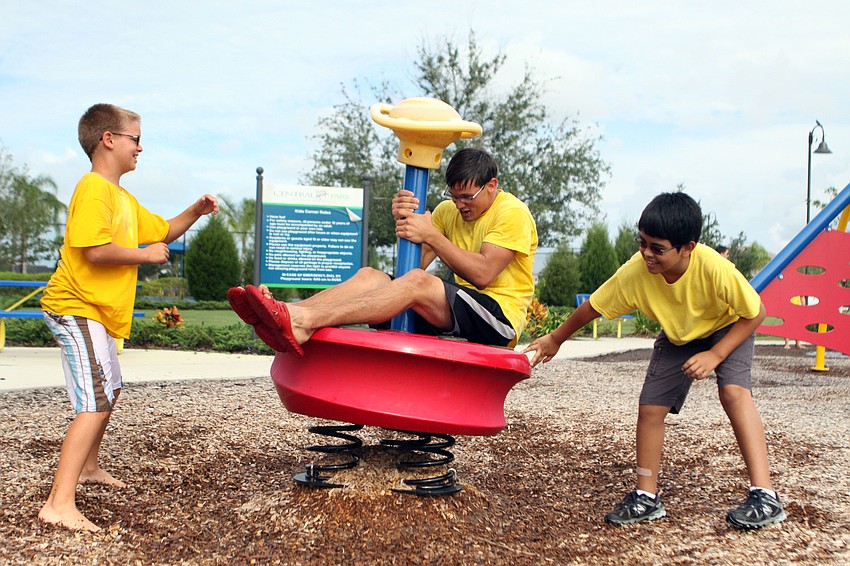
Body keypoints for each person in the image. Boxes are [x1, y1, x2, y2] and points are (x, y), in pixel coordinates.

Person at [524, 192, 786, 530]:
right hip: (679, 335)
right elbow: (594, 306)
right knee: (650, 407)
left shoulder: (714, 268)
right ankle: (646, 498)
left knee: (734, 393)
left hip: (727, 328)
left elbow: (756, 313)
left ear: (687, 247)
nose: (647, 253)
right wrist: (555, 338)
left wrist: (716, 354)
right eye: (642, 243)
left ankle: (765, 495)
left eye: (658, 248)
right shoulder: (636, 271)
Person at [38, 103, 219, 532]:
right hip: (75, 305)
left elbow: (161, 232)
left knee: (110, 387)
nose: (141, 147)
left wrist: (194, 211)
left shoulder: (122, 198)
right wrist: (143, 256)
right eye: (135, 138)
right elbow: (93, 251)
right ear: (109, 139)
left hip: (93, 310)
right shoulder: (94, 189)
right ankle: (58, 504)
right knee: (96, 399)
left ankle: (89, 466)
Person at [229, 148, 537, 354]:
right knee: (372, 276)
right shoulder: (447, 212)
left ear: (492, 185)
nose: (460, 205)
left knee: (419, 282)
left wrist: (432, 235)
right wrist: (405, 223)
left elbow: (483, 274)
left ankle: (306, 322)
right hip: (457, 311)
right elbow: (412, 268)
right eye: (454, 196)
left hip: (499, 321)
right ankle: (284, 315)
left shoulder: (512, 213)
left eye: (467, 197)